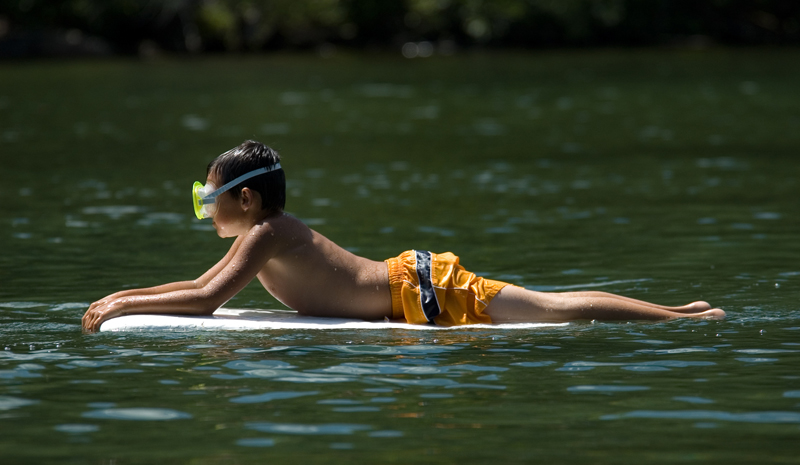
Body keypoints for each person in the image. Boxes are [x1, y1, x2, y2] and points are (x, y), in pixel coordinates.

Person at [81, 140, 725, 332]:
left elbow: (204, 303)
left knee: (551, 308)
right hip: (411, 282)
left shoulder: (267, 234)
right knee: (547, 305)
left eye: (205, 200)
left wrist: (119, 304)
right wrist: (124, 296)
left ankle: (681, 317)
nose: (204, 211)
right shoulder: (265, 232)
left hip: (422, 291)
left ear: (244, 199)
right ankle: (680, 312)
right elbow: (200, 287)